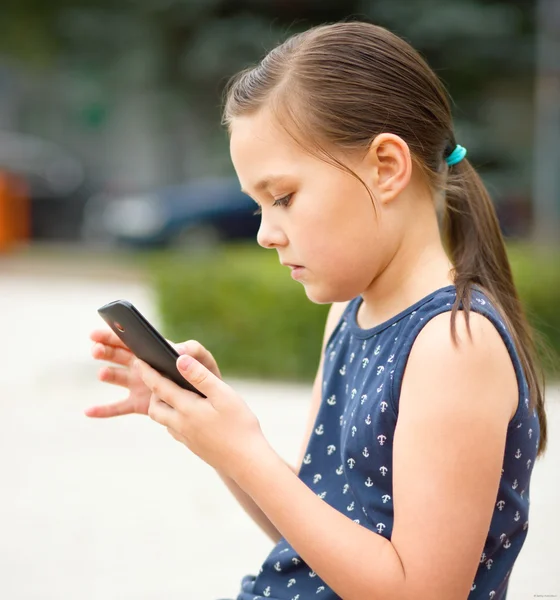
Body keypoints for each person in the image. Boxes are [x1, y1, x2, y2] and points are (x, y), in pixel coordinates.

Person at [87, 21, 548, 600]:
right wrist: (214, 434)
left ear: (386, 166)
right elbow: (309, 531)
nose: (265, 234)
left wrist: (244, 449)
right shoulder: (351, 315)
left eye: (281, 197)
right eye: (256, 206)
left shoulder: (454, 342)